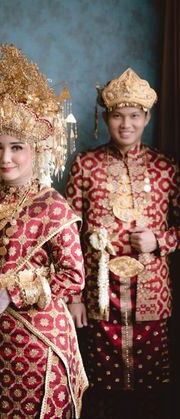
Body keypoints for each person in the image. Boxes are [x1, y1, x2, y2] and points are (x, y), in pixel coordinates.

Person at [0, 44, 88, 419]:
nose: (5, 158)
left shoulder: (53, 206)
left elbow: (74, 276)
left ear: (38, 148)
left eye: (17, 147)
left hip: (35, 344)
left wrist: (10, 293)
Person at [66, 68, 180, 419]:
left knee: (150, 389)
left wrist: (159, 240)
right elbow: (69, 234)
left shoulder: (166, 168)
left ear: (147, 117)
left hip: (152, 296)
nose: (126, 124)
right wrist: (73, 297)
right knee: (102, 386)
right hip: (99, 298)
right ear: (105, 118)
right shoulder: (86, 165)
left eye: (134, 116)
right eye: (117, 116)